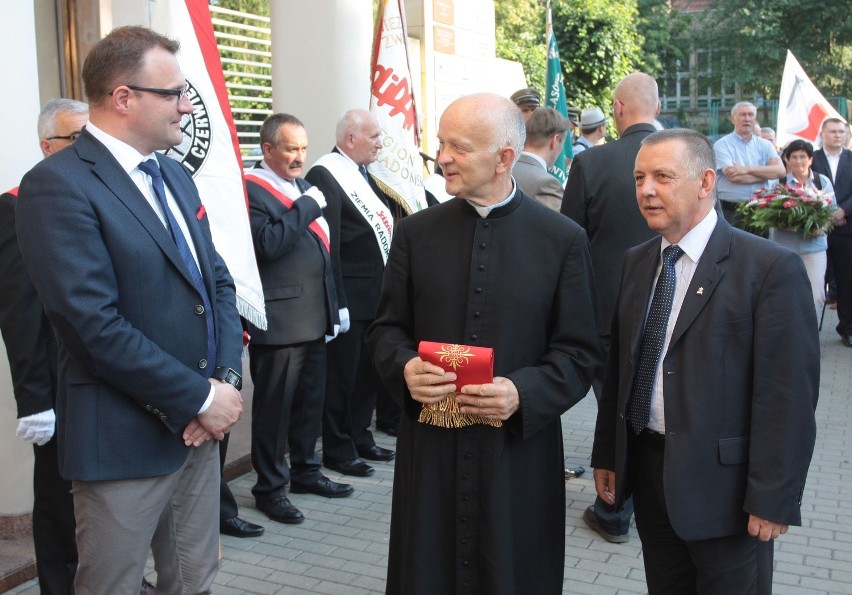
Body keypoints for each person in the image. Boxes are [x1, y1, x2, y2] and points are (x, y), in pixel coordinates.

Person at [15, 26, 244, 594]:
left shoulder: (172, 174)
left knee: (193, 579)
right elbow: (91, 325)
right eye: (174, 93)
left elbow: (215, 283)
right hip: (123, 439)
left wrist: (224, 380)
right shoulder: (57, 185)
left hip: (199, 432)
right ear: (123, 98)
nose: (187, 106)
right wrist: (198, 397)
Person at [365, 92, 601, 594]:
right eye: (442, 143)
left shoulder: (562, 240)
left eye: (459, 146)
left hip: (517, 457)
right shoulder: (414, 232)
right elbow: (385, 331)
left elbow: (580, 353)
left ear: (504, 158)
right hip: (430, 454)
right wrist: (405, 367)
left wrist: (523, 391)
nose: (443, 156)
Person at [592, 128, 818, 594]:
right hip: (652, 478)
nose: (646, 190)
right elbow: (620, 369)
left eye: (662, 177)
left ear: (706, 181)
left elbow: (787, 397)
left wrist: (773, 496)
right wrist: (608, 455)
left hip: (728, 496)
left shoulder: (768, 269)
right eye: (639, 178)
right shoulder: (637, 262)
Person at [560, 71, 661, 543]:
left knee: (614, 409)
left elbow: (569, 243)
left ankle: (614, 510)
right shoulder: (687, 158)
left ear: (618, 109)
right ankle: (644, 502)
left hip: (607, 310)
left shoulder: (592, 164)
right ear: (655, 108)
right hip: (673, 308)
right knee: (656, 406)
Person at [243, 113, 354, 525]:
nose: (299, 157)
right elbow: (268, 244)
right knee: (275, 413)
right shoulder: (251, 189)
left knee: (310, 405)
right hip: (281, 322)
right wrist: (306, 207)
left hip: (314, 316)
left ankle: (306, 471)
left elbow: (324, 253)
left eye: (304, 149)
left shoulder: (304, 186)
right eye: (290, 148)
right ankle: (270, 489)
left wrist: (335, 304)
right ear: (268, 148)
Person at [0, 98, 88, 595]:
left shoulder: (94, 193)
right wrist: (35, 400)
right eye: (75, 138)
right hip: (56, 382)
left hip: (103, 374)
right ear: (46, 146)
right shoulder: (17, 203)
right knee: (57, 498)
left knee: (100, 496)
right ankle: (60, 585)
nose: (85, 147)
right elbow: (19, 310)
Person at [305, 109, 398, 476]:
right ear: (350, 139)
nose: (380, 142)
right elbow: (333, 246)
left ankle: (360, 435)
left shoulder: (364, 174)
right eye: (374, 136)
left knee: (368, 374)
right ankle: (338, 448)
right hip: (350, 298)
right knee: (343, 377)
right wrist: (337, 301)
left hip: (375, 297)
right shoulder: (327, 173)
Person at [767, 140, 835, 320]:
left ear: (810, 159)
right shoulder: (778, 184)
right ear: (787, 160)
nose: (798, 161)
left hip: (814, 248)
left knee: (816, 295)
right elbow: (768, 212)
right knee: (784, 294)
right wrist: (786, 223)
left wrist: (821, 228)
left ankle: (811, 339)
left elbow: (831, 212)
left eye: (803, 156)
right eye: (794, 157)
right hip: (783, 247)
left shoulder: (822, 182)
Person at [812, 118, 852, 346]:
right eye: (833, 131)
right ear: (823, 134)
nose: (837, 135)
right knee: (818, 283)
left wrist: (843, 210)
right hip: (815, 230)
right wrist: (827, 215)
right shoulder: (811, 158)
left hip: (846, 228)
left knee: (847, 281)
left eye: (841, 131)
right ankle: (813, 328)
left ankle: (847, 328)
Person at [713, 102, 785, 224]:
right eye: (742, 115)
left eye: (750, 115)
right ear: (733, 119)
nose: (747, 118)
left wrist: (746, 169)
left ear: (755, 119)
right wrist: (767, 174)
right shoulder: (722, 145)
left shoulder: (765, 145)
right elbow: (735, 176)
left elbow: (781, 171)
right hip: (731, 210)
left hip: (762, 208)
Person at [511, 106, 571, 210]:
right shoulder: (547, 184)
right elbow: (554, 225)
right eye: (562, 144)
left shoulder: (503, 168)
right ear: (555, 140)